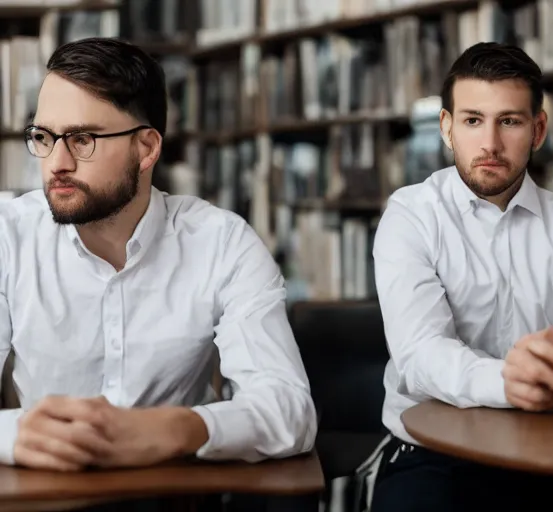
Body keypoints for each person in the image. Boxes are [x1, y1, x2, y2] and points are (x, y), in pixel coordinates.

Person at [1, 37, 316, 475]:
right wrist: (14, 434)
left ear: (147, 148)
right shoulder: (8, 235)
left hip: (176, 492)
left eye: (82, 139)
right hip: (46, 490)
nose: (56, 163)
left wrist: (178, 428)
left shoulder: (221, 242)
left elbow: (290, 411)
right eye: (43, 136)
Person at [369, 41, 553, 512]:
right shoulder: (410, 215)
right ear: (446, 128)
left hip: (550, 450)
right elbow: (420, 358)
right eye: (472, 120)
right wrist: (509, 381)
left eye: (509, 121)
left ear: (538, 129)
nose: (489, 144)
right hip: (434, 456)